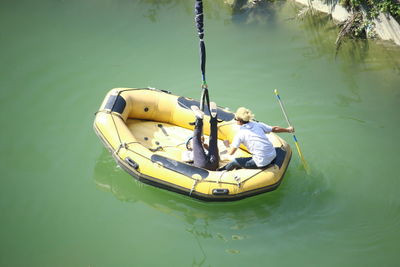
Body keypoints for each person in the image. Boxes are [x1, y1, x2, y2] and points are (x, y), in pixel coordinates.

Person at [220, 107, 294, 171]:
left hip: (261, 162)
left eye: (235, 118)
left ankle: (220, 171)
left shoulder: (240, 134)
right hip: (273, 155)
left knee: (234, 162)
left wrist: (227, 145)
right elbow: (274, 129)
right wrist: (288, 130)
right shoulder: (258, 125)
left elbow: (231, 153)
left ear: (239, 120)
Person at [182, 102, 220, 171]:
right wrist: (194, 153)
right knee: (197, 139)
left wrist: (207, 147)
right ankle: (200, 119)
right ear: (189, 146)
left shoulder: (205, 149)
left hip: (213, 163)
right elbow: (185, 159)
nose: (201, 142)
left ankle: (213, 118)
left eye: (202, 141)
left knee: (213, 140)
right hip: (203, 165)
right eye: (191, 142)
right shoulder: (187, 152)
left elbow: (216, 153)